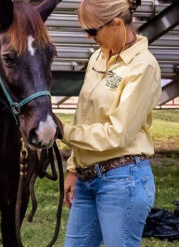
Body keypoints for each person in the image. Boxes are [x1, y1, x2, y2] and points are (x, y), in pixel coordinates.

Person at [61, 0, 162, 246]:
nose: (88, 37)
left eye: (93, 30)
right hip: (87, 180)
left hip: (122, 181)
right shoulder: (98, 57)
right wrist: (74, 168)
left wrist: (62, 131)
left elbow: (117, 133)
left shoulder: (143, 66)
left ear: (116, 24)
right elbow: (84, 114)